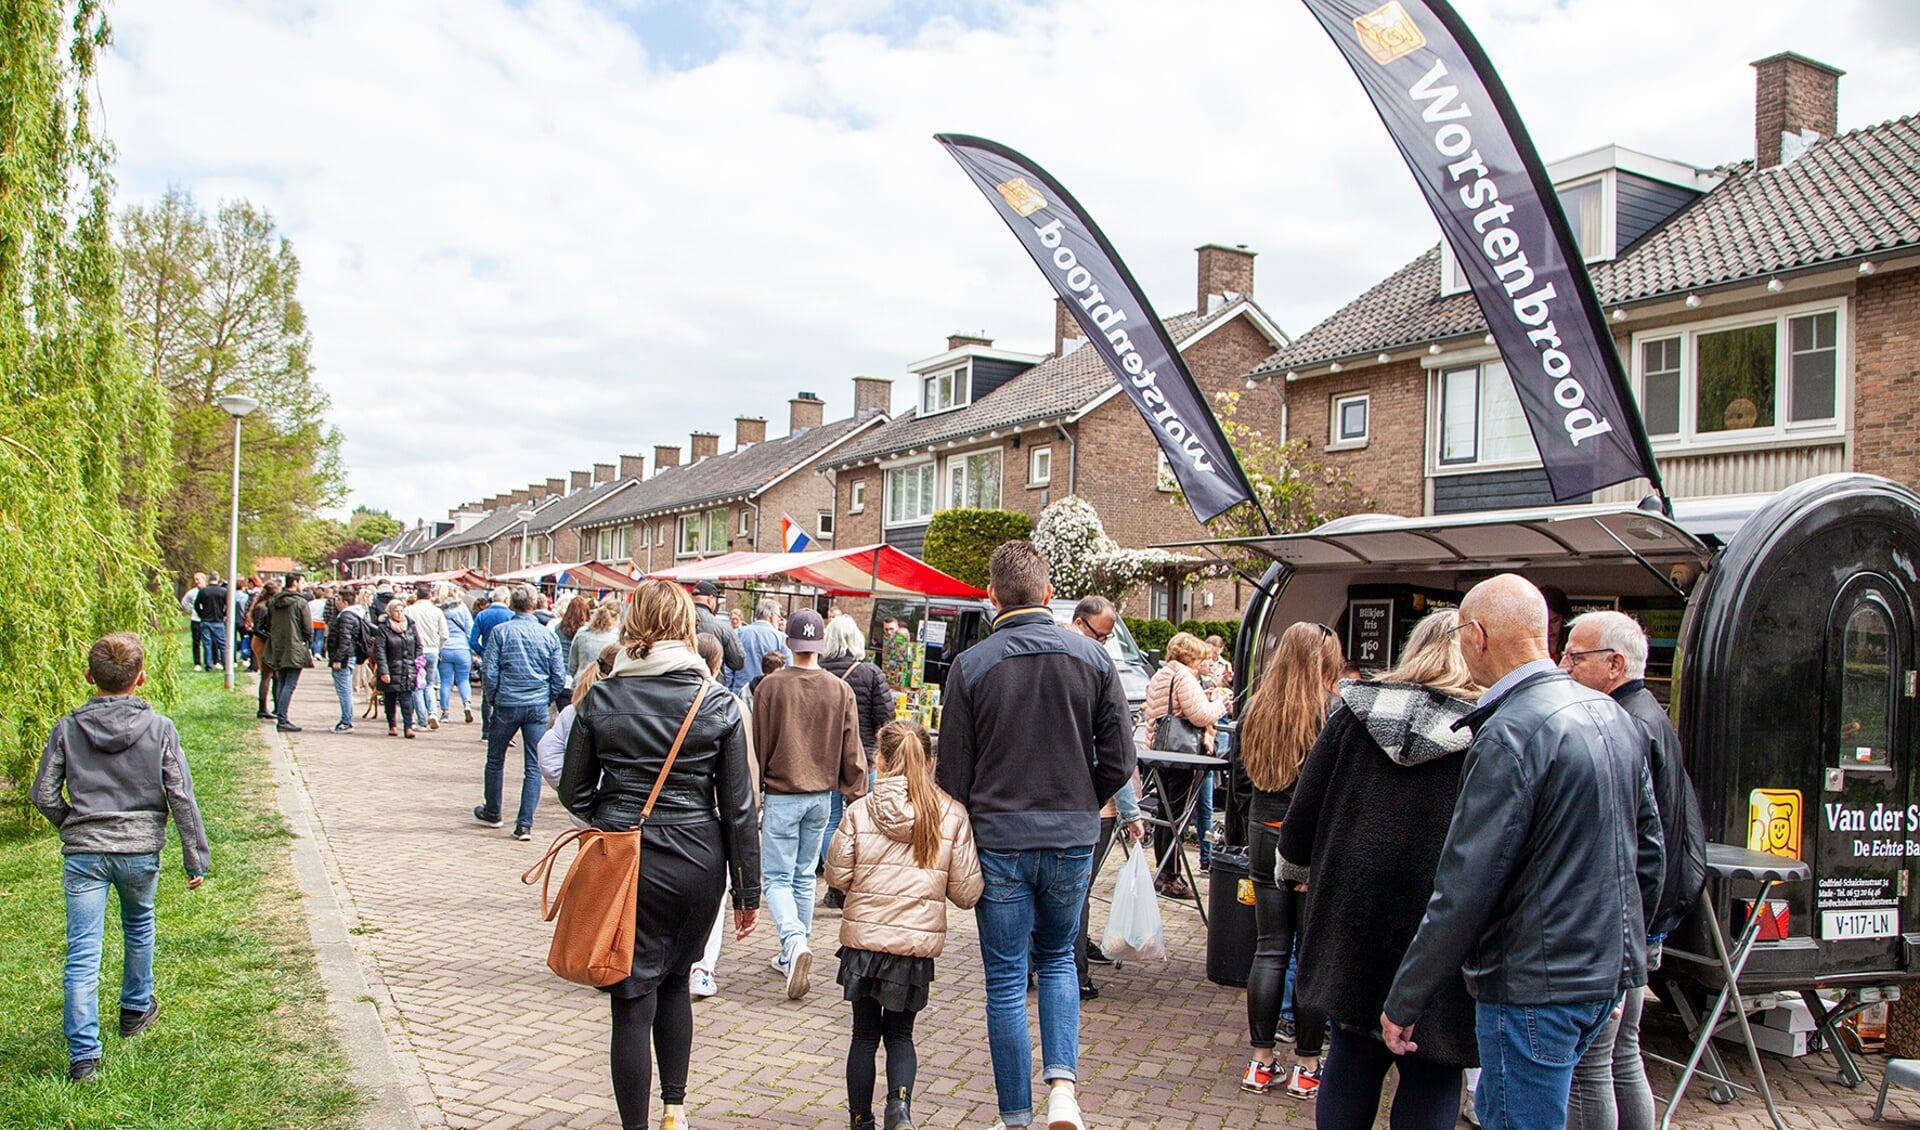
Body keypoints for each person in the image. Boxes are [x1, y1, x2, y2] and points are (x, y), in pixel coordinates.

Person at [1380, 575, 1663, 1130]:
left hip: (1534, 985)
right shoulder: (1612, 715)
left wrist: (1405, 998)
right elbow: (1647, 853)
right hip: (1603, 975)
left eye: (1461, 631)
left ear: (1478, 635)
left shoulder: (1510, 730)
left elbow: (1464, 884)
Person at [935, 540, 1134, 1130]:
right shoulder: (1096, 661)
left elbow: (952, 773)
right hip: (1073, 836)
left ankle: (1015, 1117)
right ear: (1050, 595)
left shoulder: (970, 666)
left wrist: (983, 812)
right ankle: (1064, 1091)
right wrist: (1081, 800)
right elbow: (1122, 760)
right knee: (1058, 962)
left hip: (999, 840)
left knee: (1003, 979)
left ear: (991, 595)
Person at [560, 580, 760, 1130]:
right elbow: (739, 806)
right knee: (676, 980)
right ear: (687, 629)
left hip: (625, 858)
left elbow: (573, 791)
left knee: (629, 996)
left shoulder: (602, 695)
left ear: (634, 622)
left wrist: (617, 810)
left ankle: (637, 1126)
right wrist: (747, 892)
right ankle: (675, 1109)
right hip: (698, 858)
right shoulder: (716, 700)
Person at [1274, 610, 1482, 1129]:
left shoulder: (1354, 713)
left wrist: (1294, 869)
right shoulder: (1487, 730)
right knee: (1434, 1060)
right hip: (1440, 918)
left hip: (1354, 908)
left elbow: (1305, 808)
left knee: (1352, 1044)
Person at [31, 632, 210, 1082]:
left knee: (82, 951)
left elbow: (43, 794)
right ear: (141, 678)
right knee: (139, 926)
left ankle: (84, 1055)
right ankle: (134, 1007)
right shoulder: (160, 728)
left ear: (89, 677)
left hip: (85, 853)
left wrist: (72, 822)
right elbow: (181, 795)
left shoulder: (67, 728)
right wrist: (195, 858)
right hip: (139, 849)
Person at [1562, 611, 1706, 1130]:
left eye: (1576, 657)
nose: (1564, 666)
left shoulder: (1625, 724)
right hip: (1642, 916)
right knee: (1621, 1055)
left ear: (1615, 664)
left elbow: (1631, 839)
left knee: (1596, 1063)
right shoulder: (1650, 715)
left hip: (1626, 921)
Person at [826, 720, 983, 1130]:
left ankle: (860, 1119)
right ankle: (900, 1107)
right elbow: (966, 892)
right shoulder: (950, 813)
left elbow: (838, 876)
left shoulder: (861, 810)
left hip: (864, 942)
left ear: (880, 759)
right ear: (930, 762)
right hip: (912, 948)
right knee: (900, 1036)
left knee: (863, 1035)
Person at [1232, 621, 1344, 1101]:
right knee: (1311, 954)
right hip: (1311, 843)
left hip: (1263, 832)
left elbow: (1238, 784)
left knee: (1270, 948)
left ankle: (1259, 1062)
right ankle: (1306, 1065)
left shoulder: (1254, 708)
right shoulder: (1332, 713)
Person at [752, 607, 865, 999]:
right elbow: (852, 747)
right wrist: (855, 788)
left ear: (788, 642)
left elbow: (759, 744)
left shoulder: (770, 687)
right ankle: (793, 951)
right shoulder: (840, 689)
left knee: (776, 879)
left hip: (783, 792)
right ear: (819, 644)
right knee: (802, 877)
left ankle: (793, 942)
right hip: (822, 795)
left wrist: (758, 786)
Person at [1066, 595, 1145, 999]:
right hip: (1091, 808)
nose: (1105, 643)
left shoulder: (1059, 664)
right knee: (1076, 893)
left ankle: (1038, 965)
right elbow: (1113, 754)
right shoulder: (1095, 670)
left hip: (1056, 802)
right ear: (1080, 624)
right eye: (1102, 634)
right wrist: (1129, 810)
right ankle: (1075, 972)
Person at [1140, 632, 1230, 899]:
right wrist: (1220, 704)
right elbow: (1200, 715)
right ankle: (1171, 876)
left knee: (1163, 811)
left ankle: (1162, 871)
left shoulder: (1161, 674)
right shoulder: (1184, 676)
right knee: (1177, 816)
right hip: (1182, 754)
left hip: (1160, 751)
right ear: (1191, 656)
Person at [476, 585, 566, 841]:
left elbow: (489, 670)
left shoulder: (501, 632)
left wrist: (493, 698)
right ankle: (524, 823)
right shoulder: (547, 636)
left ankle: (493, 811)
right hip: (536, 703)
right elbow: (558, 674)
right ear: (535, 605)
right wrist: (546, 697)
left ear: (512, 605)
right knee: (533, 765)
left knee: (495, 758)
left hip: (507, 701)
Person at [818, 616, 894, 907]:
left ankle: (836, 885)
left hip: (825, 759)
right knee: (868, 822)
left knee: (830, 822)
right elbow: (885, 721)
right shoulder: (871, 673)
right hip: (864, 759)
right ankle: (861, 884)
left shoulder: (818, 671)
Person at [262, 573, 315, 732]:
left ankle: (280, 713)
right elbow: (307, 628)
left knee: (282, 681)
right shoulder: (300, 602)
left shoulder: (274, 601)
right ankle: (283, 719)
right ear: (295, 582)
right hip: (294, 646)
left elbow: (268, 623)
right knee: (289, 684)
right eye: (302, 581)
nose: (303, 585)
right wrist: (307, 642)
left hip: (277, 646)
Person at [375, 597, 423, 738]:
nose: (399, 614)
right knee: (390, 698)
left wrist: (417, 662)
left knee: (406, 699)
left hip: (408, 668)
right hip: (391, 667)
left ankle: (408, 727)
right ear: (390, 612)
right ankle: (392, 725)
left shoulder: (410, 626)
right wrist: (384, 671)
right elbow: (380, 650)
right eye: (396, 611)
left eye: (401, 611)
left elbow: (418, 645)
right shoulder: (384, 628)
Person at [326, 590, 373, 733]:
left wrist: (338, 658)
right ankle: (346, 719)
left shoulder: (346, 616)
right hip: (348, 655)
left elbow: (345, 639)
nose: (336, 602)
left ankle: (346, 721)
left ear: (345, 602)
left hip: (345, 657)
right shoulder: (356, 614)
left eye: (338, 599)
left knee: (344, 690)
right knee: (344, 688)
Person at [470, 587, 514, 735]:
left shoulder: (482, 615)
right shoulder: (512, 616)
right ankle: (502, 732)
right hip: (507, 661)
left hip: (488, 661)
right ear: (507, 600)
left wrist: (483, 652)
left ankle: (486, 731)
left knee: (487, 696)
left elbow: (473, 640)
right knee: (506, 696)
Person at [689, 581, 745, 681]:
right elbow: (737, 662)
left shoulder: (676, 621)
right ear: (710, 600)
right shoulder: (723, 628)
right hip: (712, 685)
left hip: (681, 683)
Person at [435, 584, 475, 724]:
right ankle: (467, 704)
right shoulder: (463, 608)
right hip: (462, 648)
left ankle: (445, 712)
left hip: (445, 648)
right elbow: (470, 628)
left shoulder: (439, 610)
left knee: (445, 682)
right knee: (463, 680)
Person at [734, 598, 788, 696]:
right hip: (769, 695)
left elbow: (729, 668)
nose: (779, 621)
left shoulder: (738, 634)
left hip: (739, 693)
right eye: (778, 617)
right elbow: (788, 670)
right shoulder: (781, 638)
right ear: (772, 616)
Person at [570, 599, 622, 683]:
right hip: (606, 686)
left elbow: (572, 665)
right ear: (617, 616)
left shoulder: (582, 633)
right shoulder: (618, 638)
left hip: (580, 683)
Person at [248, 581, 278, 719]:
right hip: (262, 642)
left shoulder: (263, 606)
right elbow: (258, 629)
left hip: (264, 640)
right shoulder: (262, 608)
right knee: (267, 674)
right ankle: (263, 708)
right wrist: (271, 637)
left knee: (274, 675)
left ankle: (277, 706)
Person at [193, 574, 230, 672]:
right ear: (218, 579)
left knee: (207, 644)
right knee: (222, 644)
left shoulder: (203, 591)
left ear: (209, 579)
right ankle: (225, 664)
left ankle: (208, 666)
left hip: (206, 620)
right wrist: (224, 614)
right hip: (218, 620)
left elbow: (196, 605)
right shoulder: (224, 591)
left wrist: (201, 614)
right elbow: (229, 605)